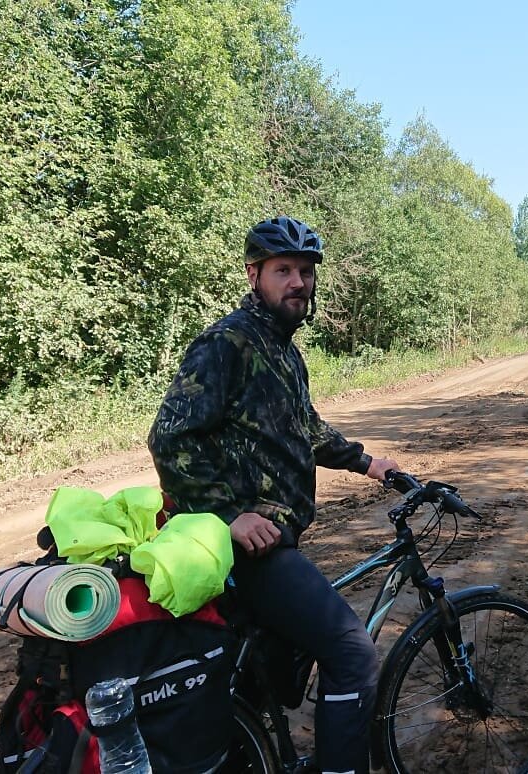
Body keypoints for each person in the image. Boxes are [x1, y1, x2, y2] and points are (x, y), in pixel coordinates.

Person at [148, 215, 399, 774]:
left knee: (266, 673)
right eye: (283, 270)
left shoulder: (281, 350)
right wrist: (228, 516)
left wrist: (367, 462)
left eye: (305, 272)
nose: (297, 283)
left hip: (273, 538)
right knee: (352, 653)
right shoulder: (228, 343)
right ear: (254, 274)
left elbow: (303, 428)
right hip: (249, 548)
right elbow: (170, 438)